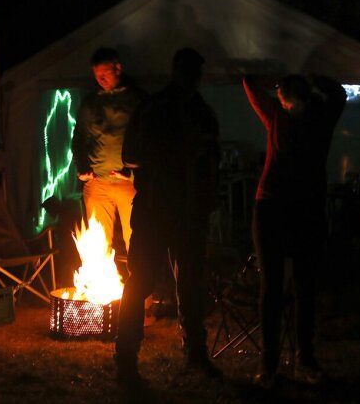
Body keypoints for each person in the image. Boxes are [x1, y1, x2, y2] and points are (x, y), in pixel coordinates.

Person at [114, 47, 221, 384]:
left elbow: (211, 159)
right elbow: (130, 154)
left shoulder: (198, 111)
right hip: (158, 209)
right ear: (178, 72)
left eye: (194, 73)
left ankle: (192, 354)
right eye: (189, 72)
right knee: (143, 281)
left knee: (187, 284)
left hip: (185, 211)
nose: (191, 79)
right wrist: (174, 155)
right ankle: (128, 357)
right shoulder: (157, 108)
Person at [242, 73, 346, 387]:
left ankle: (302, 361)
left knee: (304, 287)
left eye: (291, 104)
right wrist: (299, 78)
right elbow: (250, 83)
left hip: (299, 207)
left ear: (299, 100)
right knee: (274, 287)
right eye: (286, 104)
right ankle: (271, 365)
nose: (289, 108)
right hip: (274, 207)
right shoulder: (285, 114)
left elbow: (338, 93)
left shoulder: (313, 116)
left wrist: (309, 78)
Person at [71, 47, 146, 261]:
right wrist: (83, 167)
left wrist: (135, 172)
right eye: (97, 76)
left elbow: (150, 138)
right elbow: (79, 140)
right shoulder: (91, 104)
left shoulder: (137, 100)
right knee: (97, 244)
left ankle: (139, 292)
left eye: (104, 74)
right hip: (97, 184)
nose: (100, 79)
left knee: (137, 239)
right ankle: (99, 291)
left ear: (118, 68)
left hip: (128, 184)